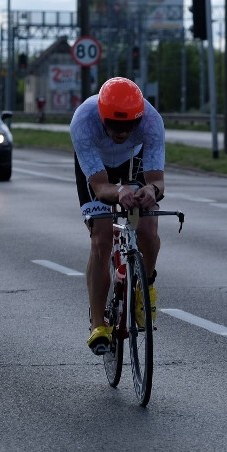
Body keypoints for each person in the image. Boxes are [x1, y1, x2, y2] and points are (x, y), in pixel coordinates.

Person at [70, 77, 166, 355]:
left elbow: (158, 181)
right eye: (113, 124)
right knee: (100, 240)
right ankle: (98, 324)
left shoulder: (151, 121)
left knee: (147, 228)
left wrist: (150, 189)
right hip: (97, 167)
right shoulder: (83, 121)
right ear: (101, 116)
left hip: (134, 160)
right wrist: (120, 190)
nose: (121, 132)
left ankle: (145, 284)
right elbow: (100, 187)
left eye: (128, 126)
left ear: (139, 118)